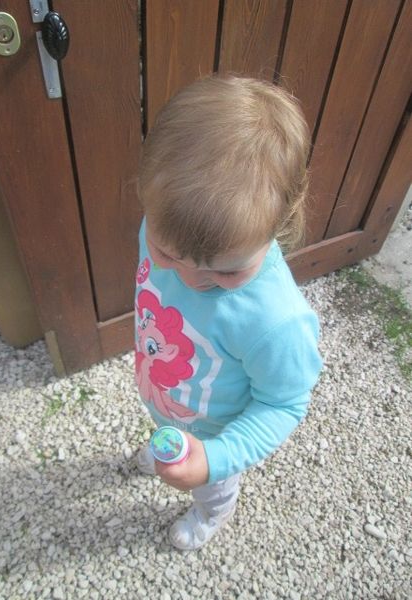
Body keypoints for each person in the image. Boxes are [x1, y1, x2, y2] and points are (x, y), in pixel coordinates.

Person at [133, 74, 322, 550]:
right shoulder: (161, 225)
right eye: (167, 254)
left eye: (227, 271)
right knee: (168, 437)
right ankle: (167, 444)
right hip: (167, 399)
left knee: (211, 486)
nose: (192, 279)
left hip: (215, 435)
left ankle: (211, 513)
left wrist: (215, 459)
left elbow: (283, 403)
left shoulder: (276, 321)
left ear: (279, 226)